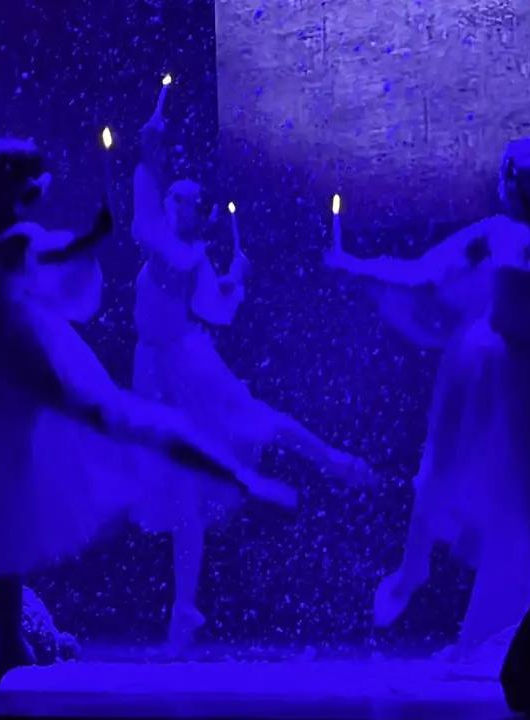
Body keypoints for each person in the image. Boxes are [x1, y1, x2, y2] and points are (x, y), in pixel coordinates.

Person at [0, 95, 295, 688]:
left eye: (5, 172)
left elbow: (60, 249)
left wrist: (93, 234)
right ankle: (8, 646)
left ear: (19, 189)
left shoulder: (22, 239)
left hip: (23, 354)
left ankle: (239, 476)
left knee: (114, 417)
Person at [326, 137, 530, 652]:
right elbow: (424, 274)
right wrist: (357, 266)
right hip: (490, 365)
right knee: (442, 471)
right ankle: (412, 568)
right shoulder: (496, 236)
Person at [130, 89, 372, 651]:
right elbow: (210, 298)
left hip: (185, 366)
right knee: (182, 491)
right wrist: (232, 277)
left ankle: (330, 458)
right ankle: (184, 609)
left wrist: (149, 157)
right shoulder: (178, 250)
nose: (174, 199)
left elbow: (210, 304)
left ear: (200, 214)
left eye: (185, 197)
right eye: (173, 193)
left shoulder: (181, 252)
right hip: (157, 368)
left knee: (253, 423)